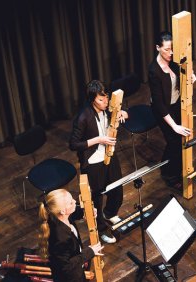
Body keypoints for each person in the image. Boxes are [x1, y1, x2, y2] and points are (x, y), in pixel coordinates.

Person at [69, 80, 129, 244]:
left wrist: (123, 113)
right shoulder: (83, 117)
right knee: (97, 196)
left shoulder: (108, 107)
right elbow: (73, 144)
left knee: (117, 188)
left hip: (110, 154)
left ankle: (110, 213)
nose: (105, 102)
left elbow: (120, 112)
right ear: (92, 100)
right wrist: (98, 139)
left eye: (106, 98)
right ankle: (101, 229)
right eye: (100, 100)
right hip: (93, 160)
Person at [148, 31, 196, 189]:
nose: (171, 53)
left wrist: (191, 76)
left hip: (175, 105)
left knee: (182, 138)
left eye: (172, 49)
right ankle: (169, 174)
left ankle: (179, 168)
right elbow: (159, 104)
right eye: (167, 49)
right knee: (174, 140)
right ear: (157, 48)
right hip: (162, 110)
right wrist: (173, 125)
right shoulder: (154, 71)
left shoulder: (174, 60)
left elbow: (183, 72)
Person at [38, 189, 104, 282]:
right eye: (70, 202)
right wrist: (89, 252)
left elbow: (74, 212)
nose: (74, 201)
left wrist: (86, 212)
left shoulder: (58, 215)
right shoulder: (60, 237)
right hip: (69, 277)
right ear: (63, 211)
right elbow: (66, 267)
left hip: (75, 256)